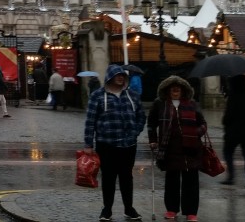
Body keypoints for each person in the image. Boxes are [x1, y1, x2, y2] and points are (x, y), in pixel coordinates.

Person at [84, 64, 146, 222]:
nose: (120, 77)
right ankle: (107, 209)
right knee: (108, 178)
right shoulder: (98, 96)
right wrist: (88, 144)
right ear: (110, 77)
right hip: (107, 144)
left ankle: (129, 208)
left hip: (128, 145)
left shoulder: (132, 95)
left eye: (122, 76)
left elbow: (141, 115)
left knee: (126, 177)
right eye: (117, 75)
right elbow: (90, 121)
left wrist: (135, 131)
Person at [147, 75, 207, 222]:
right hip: (170, 148)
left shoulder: (192, 104)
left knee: (191, 181)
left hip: (191, 148)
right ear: (167, 90)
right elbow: (151, 124)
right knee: (172, 180)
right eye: (173, 88)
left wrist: (195, 133)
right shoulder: (160, 104)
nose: (176, 90)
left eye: (178, 88)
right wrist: (153, 140)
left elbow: (203, 123)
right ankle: (172, 209)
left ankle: (191, 211)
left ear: (183, 90)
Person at [222, 74, 245, 192]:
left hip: (234, 130)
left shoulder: (233, 96)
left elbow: (229, 115)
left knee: (227, 152)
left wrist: (225, 121)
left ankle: (231, 176)